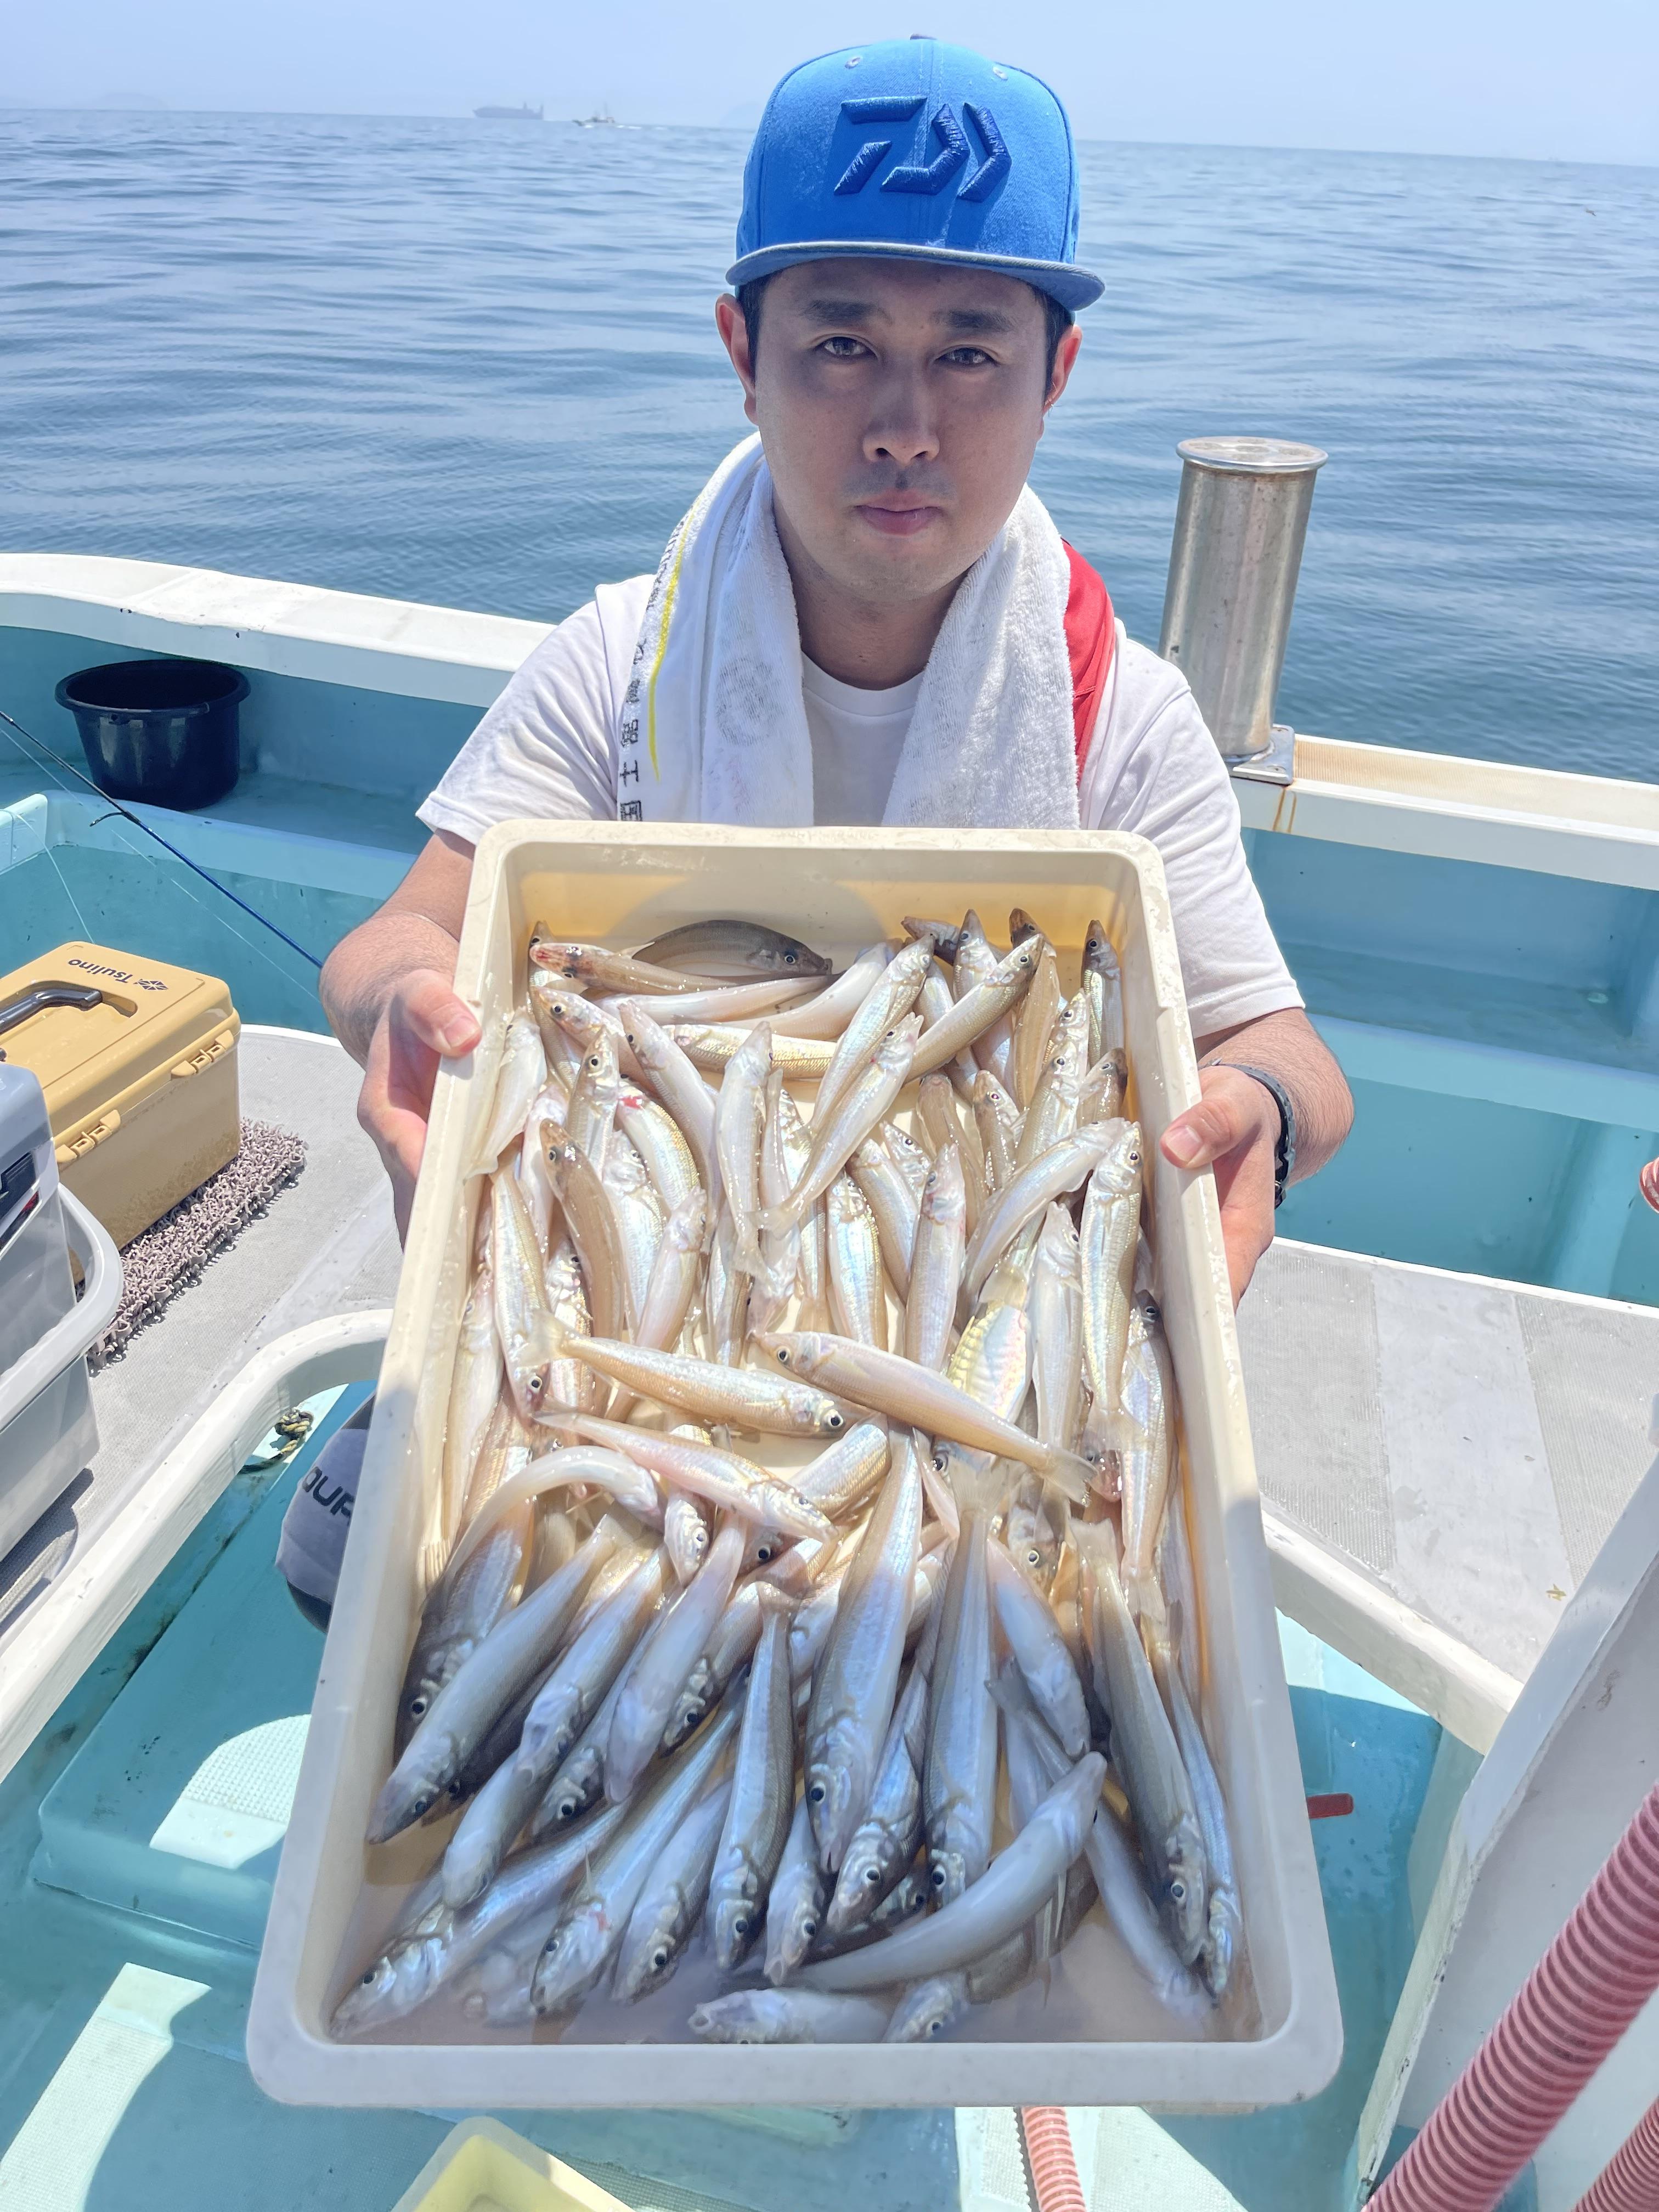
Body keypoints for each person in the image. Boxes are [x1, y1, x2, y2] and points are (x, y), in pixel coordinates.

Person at [282, 37, 1352, 1618]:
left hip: (971, 1332)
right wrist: (403, 1010)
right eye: (842, 343)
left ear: (1057, 375)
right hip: (646, 1311)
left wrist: (1253, 1105)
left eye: (973, 352)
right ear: (743, 349)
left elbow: (1297, 1066)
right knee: (350, 1571)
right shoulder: (617, 662)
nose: (906, 423)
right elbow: (400, 937)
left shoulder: (1117, 716)